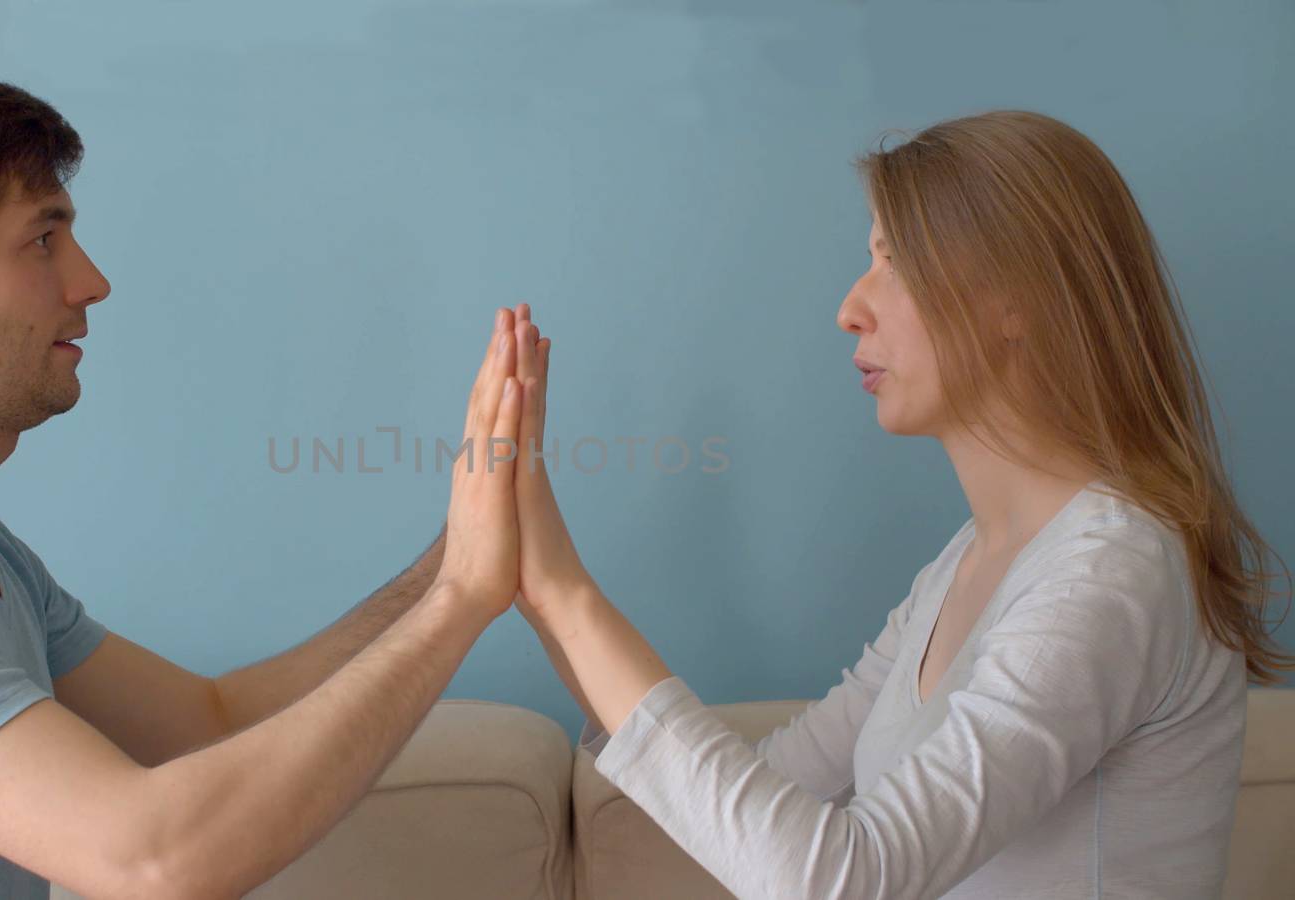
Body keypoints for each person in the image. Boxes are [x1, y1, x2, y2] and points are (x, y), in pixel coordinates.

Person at [0, 63, 533, 898]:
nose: (90, 282)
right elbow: (153, 859)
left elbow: (211, 724)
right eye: (41, 239)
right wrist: (464, 597)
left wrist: (453, 556)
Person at [505, 111, 1293, 898]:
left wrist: (563, 589)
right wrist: (535, 587)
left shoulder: (1113, 573)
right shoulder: (968, 563)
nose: (851, 306)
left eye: (896, 260)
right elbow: (777, 786)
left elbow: (839, 880)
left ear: (1017, 299)